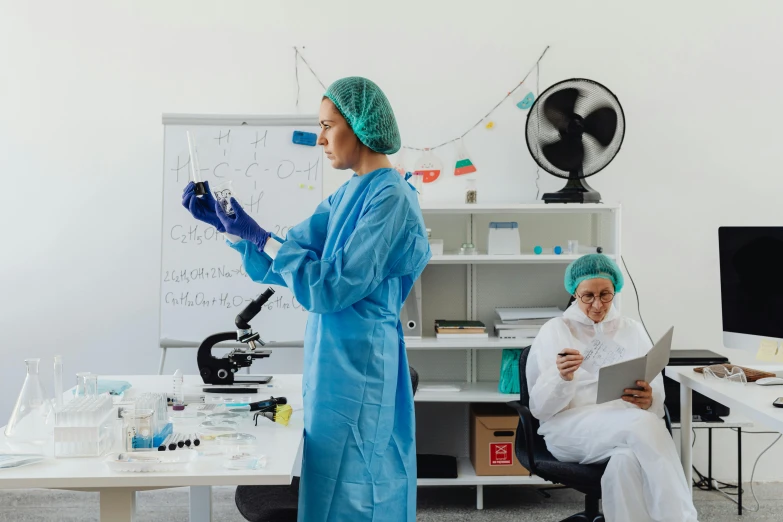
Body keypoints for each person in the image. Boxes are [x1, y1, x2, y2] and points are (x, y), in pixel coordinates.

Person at [182, 76, 430, 522]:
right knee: (328, 481)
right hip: (333, 357)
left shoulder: (390, 197)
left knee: (358, 489)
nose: (319, 139)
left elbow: (331, 285)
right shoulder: (349, 193)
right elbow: (292, 258)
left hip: (362, 361)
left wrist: (261, 237)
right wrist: (234, 229)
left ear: (359, 127)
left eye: (327, 126)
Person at [526, 254, 698, 522]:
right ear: (574, 293)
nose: (597, 305)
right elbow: (539, 409)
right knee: (642, 425)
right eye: (588, 296)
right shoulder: (555, 331)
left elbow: (655, 393)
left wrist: (648, 398)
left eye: (606, 295)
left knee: (625, 461)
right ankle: (683, 518)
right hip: (569, 429)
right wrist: (561, 378)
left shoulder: (632, 329)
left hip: (627, 425)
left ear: (615, 290)